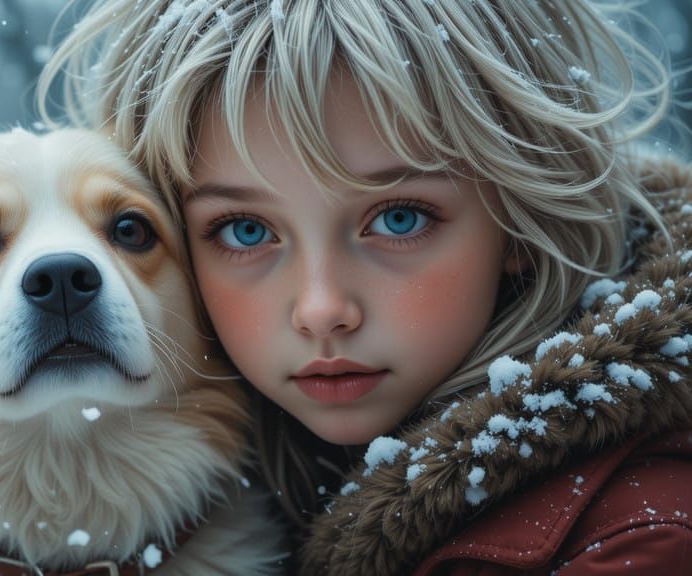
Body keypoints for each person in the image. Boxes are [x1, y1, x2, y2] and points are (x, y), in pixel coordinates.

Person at [37, 1, 692, 574]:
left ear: (520, 221)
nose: (321, 309)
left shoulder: (639, 540)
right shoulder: (211, 503)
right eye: (243, 231)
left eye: (398, 218)